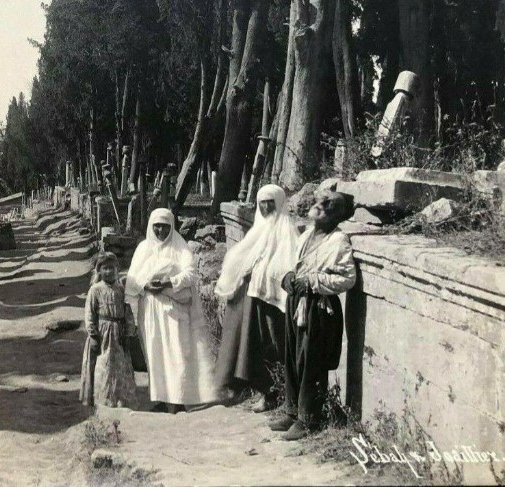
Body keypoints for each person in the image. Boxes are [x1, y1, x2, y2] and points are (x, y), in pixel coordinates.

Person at [271, 190, 356, 440]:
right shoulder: (307, 234)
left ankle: (309, 419)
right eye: (322, 200)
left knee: (310, 363)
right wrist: (288, 277)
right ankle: (292, 411)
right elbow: (292, 264)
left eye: (330, 205)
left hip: (318, 308)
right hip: (296, 301)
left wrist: (312, 281)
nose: (321, 205)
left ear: (337, 216)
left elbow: (348, 279)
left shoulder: (338, 241)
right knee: (292, 356)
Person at [125, 208, 221, 413]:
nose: (161, 230)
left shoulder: (179, 247)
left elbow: (192, 274)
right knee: (154, 352)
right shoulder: (143, 248)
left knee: (176, 350)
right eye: (157, 226)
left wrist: (170, 281)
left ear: (172, 226)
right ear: (151, 226)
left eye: (165, 226)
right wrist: (146, 286)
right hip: (150, 308)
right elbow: (132, 279)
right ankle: (160, 398)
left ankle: (177, 399)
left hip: (174, 308)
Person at [213, 184, 300, 412]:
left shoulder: (286, 230)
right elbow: (243, 256)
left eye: (270, 202)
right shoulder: (258, 229)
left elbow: (288, 263)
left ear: (279, 203)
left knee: (273, 343)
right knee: (254, 345)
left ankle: (279, 393)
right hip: (254, 295)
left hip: (272, 298)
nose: (266, 207)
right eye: (262, 202)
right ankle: (262, 391)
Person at [79, 252, 138, 409]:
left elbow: (128, 312)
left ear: (117, 269)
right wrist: (92, 335)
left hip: (118, 335)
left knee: (120, 368)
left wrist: (128, 333)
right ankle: (103, 400)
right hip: (102, 334)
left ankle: (120, 400)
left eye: (112, 268)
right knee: (103, 367)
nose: (109, 272)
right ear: (99, 270)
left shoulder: (121, 289)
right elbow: (89, 314)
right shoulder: (95, 290)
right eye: (105, 268)